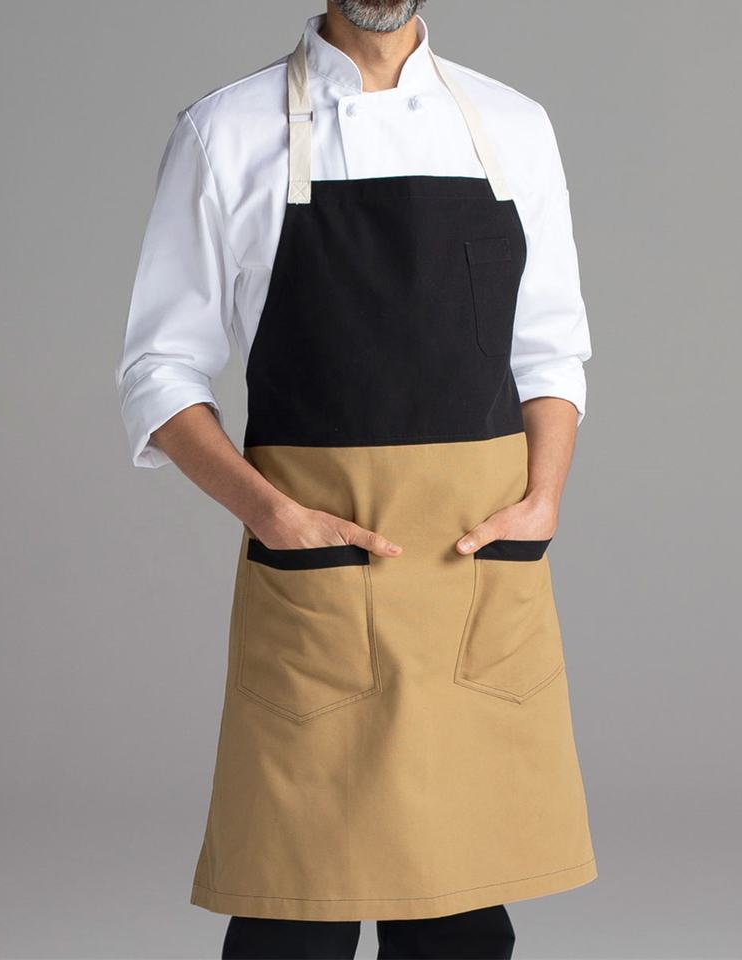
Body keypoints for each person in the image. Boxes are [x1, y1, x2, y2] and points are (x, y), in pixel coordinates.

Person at [116, 1, 596, 956]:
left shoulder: (512, 127)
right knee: (292, 921)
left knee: (461, 924)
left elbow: (549, 353)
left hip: (471, 582)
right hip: (320, 586)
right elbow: (158, 372)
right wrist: (271, 514)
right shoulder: (225, 132)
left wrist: (543, 499)